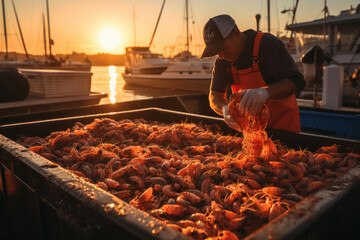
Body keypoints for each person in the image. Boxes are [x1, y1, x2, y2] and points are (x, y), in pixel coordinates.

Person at [201, 14, 305, 132]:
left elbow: (296, 81)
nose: (221, 55)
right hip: (252, 132)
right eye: (216, 51)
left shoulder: (267, 45)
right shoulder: (223, 60)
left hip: (284, 129)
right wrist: (224, 109)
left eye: (223, 48)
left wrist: (265, 93)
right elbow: (214, 96)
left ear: (236, 33)